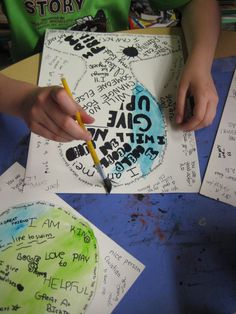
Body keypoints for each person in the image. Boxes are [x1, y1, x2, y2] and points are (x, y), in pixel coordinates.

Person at [0, 0, 220, 142]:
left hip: (112, 72)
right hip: (27, 82)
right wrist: (21, 100)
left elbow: (197, 3)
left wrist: (200, 60)